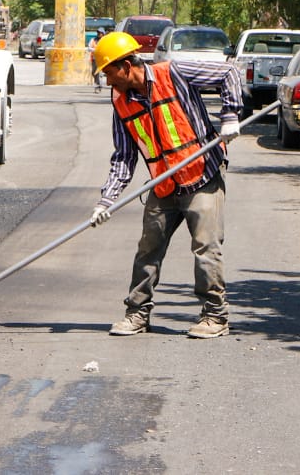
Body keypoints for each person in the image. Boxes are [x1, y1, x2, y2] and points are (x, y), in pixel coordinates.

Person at [88, 30, 243, 339]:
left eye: (109, 73)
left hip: (201, 175)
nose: (107, 81)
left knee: (206, 248)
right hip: (164, 184)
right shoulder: (120, 101)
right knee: (148, 249)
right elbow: (124, 156)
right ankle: (137, 313)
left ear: (126, 65)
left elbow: (229, 72)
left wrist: (230, 115)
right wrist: (106, 200)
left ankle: (215, 316)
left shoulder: (173, 72)